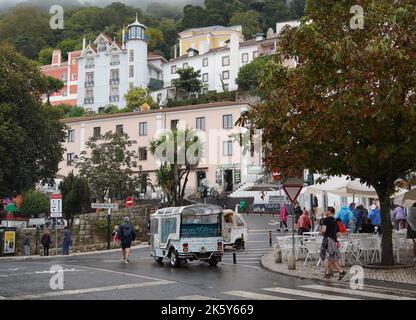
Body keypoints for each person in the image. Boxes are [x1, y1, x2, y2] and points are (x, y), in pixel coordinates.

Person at [319, 207, 346, 280]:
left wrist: (320, 231)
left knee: (330, 257)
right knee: (330, 257)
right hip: (333, 241)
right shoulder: (335, 220)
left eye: (326, 210)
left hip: (327, 240)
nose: (325, 212)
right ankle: (327, 273)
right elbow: (338, 233)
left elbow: (323, 231)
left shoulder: (325, 220)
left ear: (329, 212)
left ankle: (341, 271)